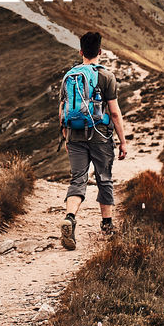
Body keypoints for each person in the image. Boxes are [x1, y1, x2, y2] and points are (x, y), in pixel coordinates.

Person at [58, 30, 128, 250]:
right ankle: (107, 225)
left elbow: (62, 111)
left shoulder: (69, 76)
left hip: (75, 136)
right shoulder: (106, 76)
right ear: (100, 51)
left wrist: (66, 138)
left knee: (77, 179)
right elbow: (115, 113)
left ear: (81, 52)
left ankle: (70, 217)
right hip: (100, 136)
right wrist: (123, 141)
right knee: (104, 178)